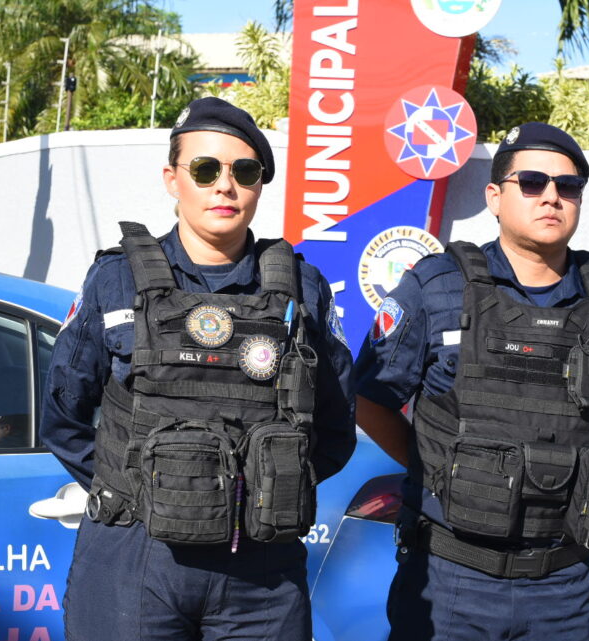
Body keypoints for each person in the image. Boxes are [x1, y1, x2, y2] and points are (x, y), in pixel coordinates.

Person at [40, 97, 356, 641]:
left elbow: (334, 427)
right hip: (135, 552)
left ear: (260, 185)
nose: (224, 186)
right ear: (173, 179)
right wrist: (144, 491)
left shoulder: (302, 289)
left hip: (259, 566)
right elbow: (63, 414)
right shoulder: (115, 280)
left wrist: (263, 489)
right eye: (206, 169)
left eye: (245, 172)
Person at [354, 122, 589, 640]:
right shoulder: (436, 286)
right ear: (495, 197)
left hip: (563, 582)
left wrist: (563, 468)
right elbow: (370, 400)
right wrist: (438, 469)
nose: (551, 196)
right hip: (449, 578)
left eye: (568, 186)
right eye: (532, 182)